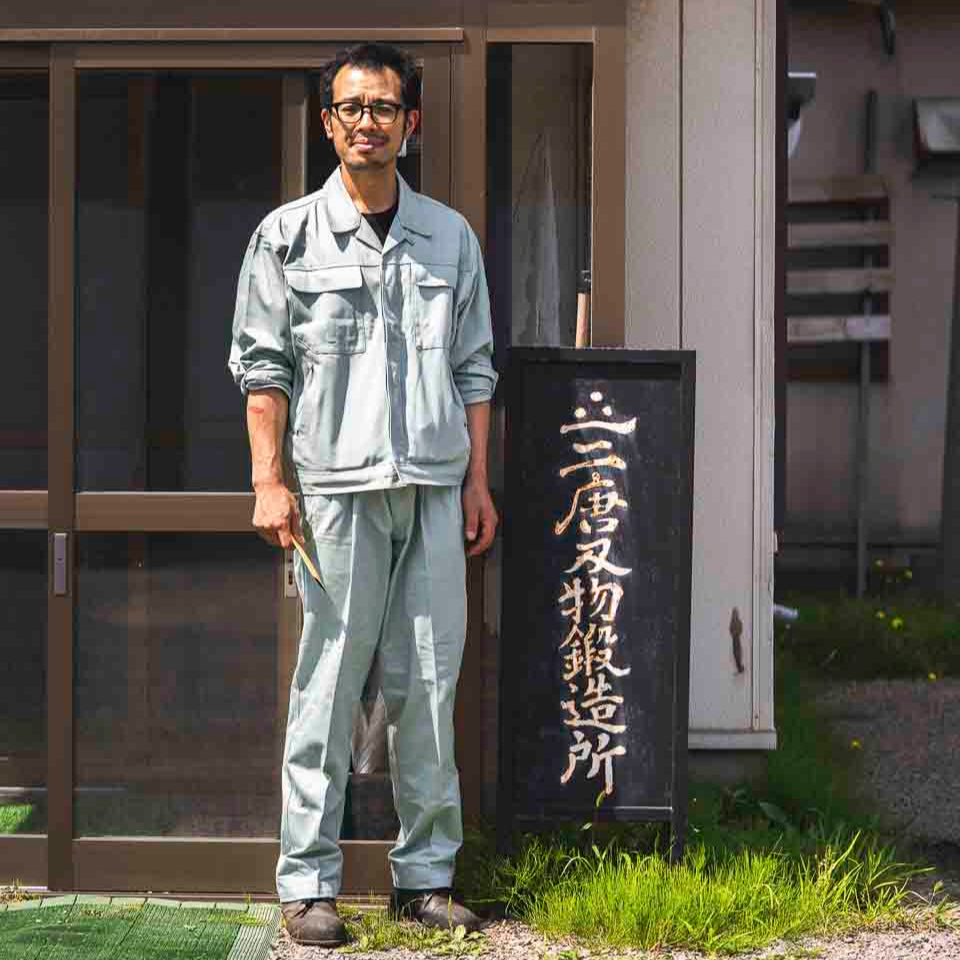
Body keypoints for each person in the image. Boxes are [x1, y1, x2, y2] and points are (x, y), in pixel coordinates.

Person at [228, 42, 498, 948]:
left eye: (384, 108)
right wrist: (269, 481)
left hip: (430, 487)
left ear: (411, 125)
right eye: (351, 108)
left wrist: (478, 481)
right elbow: (263, 371)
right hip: (335, 495)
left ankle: (424, 878)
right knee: (329, 688)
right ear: (327, 122)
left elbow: (473, 371)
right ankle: (307, 884)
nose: (367, 123)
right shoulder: (287, 236)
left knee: (428, 684)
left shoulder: (450, 238)